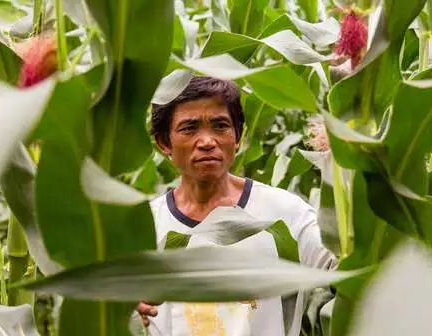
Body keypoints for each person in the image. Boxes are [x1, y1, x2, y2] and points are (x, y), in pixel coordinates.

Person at [137, 76, 338, 336]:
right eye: (190, 128)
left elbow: (348, 267)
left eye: (220, 126)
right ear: (165, 143)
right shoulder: (145, 227)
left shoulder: (285, 212)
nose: (207, 141)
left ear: (238, 137)